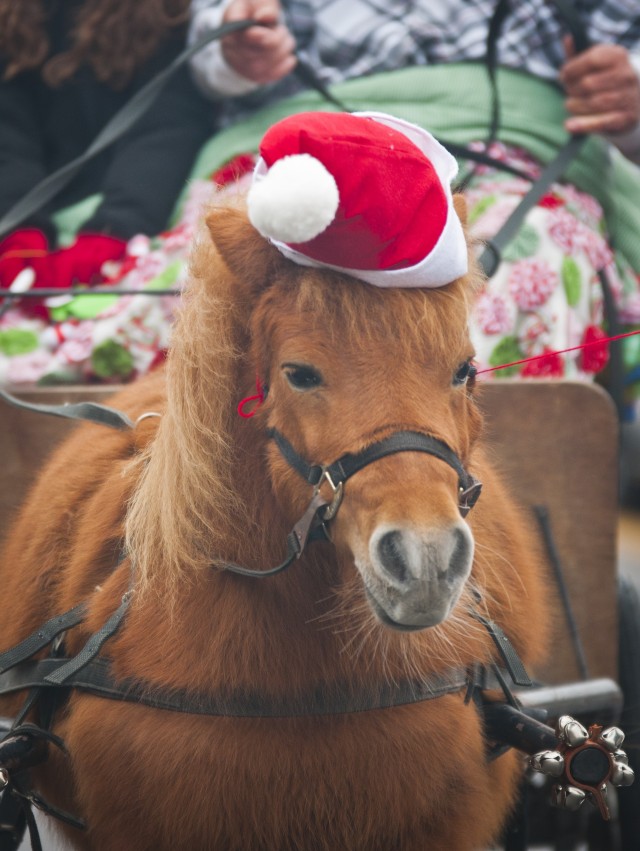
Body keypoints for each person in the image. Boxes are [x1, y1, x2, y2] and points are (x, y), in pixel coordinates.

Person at [183, 0, 640, 402]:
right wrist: (234, 51)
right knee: (201, 274)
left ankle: (489, 481)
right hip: (299, 156)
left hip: (508, 147)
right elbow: (212, 41)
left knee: (534, 255)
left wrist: (627, 88)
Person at [0, 0, 214, 294]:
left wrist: (112, 230)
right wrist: (19, 235)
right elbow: (8, 130)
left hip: (137, 213)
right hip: (23, 216)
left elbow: (166, 122)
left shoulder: (166, 12)